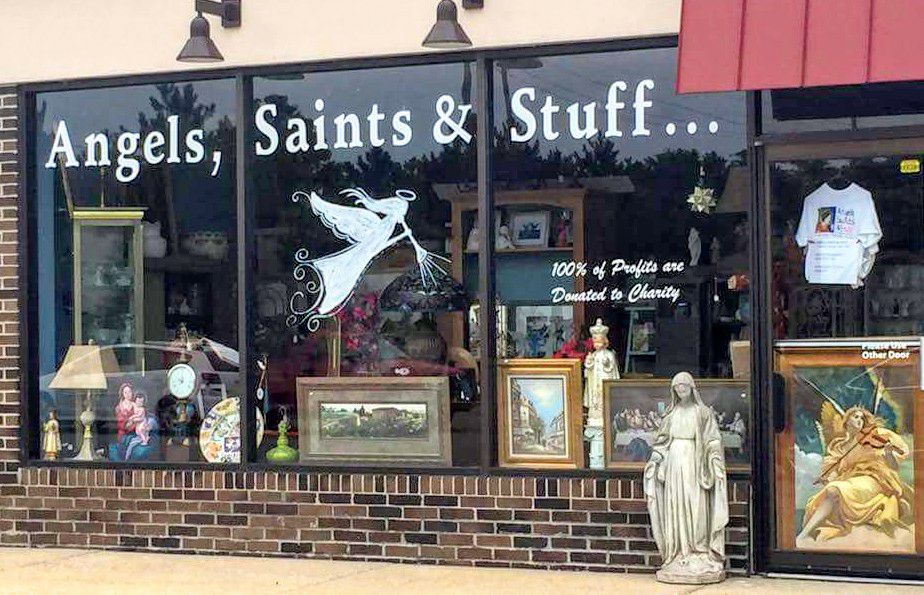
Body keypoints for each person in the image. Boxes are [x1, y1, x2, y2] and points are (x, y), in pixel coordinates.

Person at [644, 372, 728, 582]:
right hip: (674, 463)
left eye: (684, 386)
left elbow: (713, 439)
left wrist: (714, 458)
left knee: (697, 506)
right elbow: (661, 442)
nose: (681, 390)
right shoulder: (670, 415)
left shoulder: (702, 413)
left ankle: (700, 551)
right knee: (676, 506)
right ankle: (680, 552)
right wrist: (656, 459)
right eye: (677, 387)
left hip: (695, 462)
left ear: (692, 388)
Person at [797, 406, 913, 544]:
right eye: (856, 417)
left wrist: (888, 453)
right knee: (828, 491)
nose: (860, 420)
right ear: (846, 421)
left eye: (862, 418)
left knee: (834, 490)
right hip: (850, 481)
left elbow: (894, 466)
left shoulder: (876, 436)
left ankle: (803, 535)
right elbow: (835, 471)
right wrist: (827, 479)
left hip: (873, 480)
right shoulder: (840, 446)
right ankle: (805, 534)